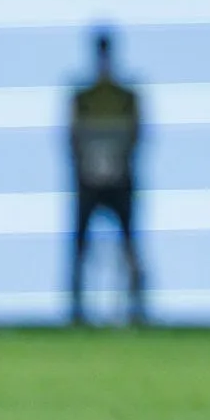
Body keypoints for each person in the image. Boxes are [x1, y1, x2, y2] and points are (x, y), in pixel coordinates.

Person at [68, 30, 146, 326]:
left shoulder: (124, 97)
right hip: (90, 181)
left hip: (118, 180)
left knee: (128, 245)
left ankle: (136, 308)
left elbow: (136, 135)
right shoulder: (85, 97)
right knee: (82, 248)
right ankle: (77, 309)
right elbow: (73, 138)